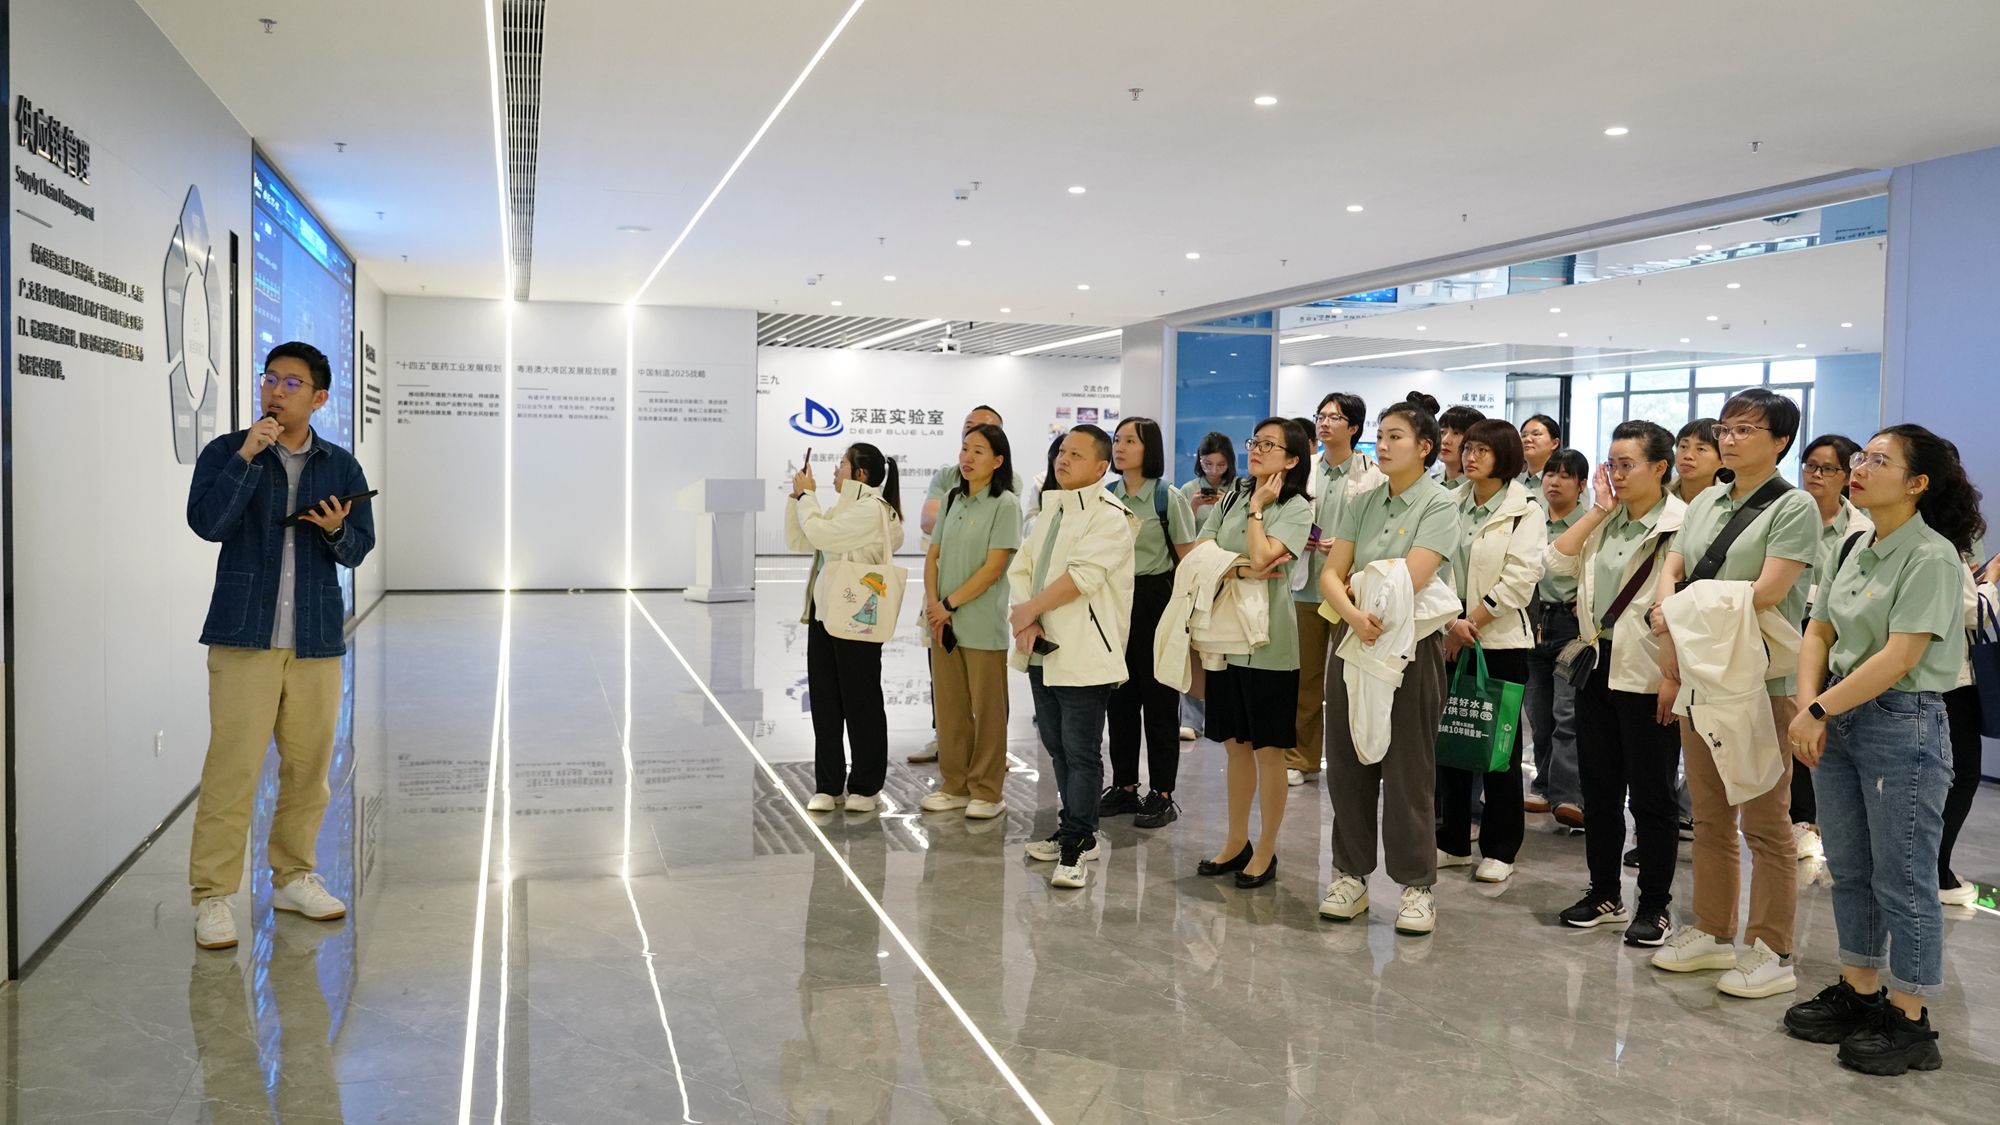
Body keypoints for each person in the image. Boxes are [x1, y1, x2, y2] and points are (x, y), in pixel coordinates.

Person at [1783, 424, 1982, 1076]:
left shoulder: (1932, 556)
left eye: (1877, 460)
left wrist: (1818, 709)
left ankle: (1910, 1017)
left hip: (1903, 721)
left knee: (1904, 875)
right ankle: (1860, 990)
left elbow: (1900, 656)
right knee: (1850, 867)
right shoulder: (1853, 541)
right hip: (1837, 713)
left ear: (1917, 482)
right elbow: (1819, 629)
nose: (1858, 468)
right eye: (1860, 457)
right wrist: (1810, 705)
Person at [185, 341, 376, 950]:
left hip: (316, 639)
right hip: (245, 635)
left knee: (309, 771)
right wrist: (248, 456)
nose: (275, 390)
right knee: (232, 769)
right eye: (270, 379)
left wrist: (337, 529)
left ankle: (293, 877)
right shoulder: (228, 451)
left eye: (291, 383)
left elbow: (359, 549)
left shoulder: (340, 466)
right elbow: (207, 524)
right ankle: (213, 896)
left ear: (319, 398)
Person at [1647, 388, 1819, 999]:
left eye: (1746, 429)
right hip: (1703, 674)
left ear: (1780, 441)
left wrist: (1680, 609)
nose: (1730, 438)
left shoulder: (1794, 506)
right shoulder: (1706, 500)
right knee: (1711, 814)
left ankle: (1773, 949)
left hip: (1762, 680)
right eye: (1726, 427)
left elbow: (1769, 590)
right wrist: (1669, 617)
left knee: (1768, 822)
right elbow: (1674, 567)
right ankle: (1713, 930)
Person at [1318, 394, 1461, 934]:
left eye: (1395, 436)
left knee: (1407, 770)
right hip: (1353, 635)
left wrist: (1362, 594)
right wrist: (1354, 615)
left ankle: (1416, 886)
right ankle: (1350, 876)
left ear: (1425, 447)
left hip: (1410, 645)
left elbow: (1411, 578)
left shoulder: (1439, 503)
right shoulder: (1363, 500)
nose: (1382, 444)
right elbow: (1331, 573)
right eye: (1379, 435)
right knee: (1347, 762)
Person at [1548, 422, 1687, 946]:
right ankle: (1604, 892)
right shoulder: (1606, 519)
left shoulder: (1681, 525)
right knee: (1600, 791)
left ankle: (1655, 905)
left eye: (1627, 464)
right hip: (1597, 664)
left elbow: (1687, 607)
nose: (1617, 474)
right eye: (1612, 464)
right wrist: (1598, 511)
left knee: (1652, 797)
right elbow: (1554, 565)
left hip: (1653, 670)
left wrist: (1674, 676)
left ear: (1660, 468)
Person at [1008, 425, 1135, 890]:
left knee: (1081, 751)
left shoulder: (1111, 516)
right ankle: (1072, 828)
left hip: (1084, 651)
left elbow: (1081, 578)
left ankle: (1080, 841)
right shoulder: (1053, 507)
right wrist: (1027, 619)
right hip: (1041, 645)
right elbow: (1023, 567)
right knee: (1057, 746)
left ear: (1101, 467)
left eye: (1076, 455)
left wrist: (1029, 611)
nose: (1063, 460)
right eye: (1062, 451)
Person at [1192, 418, 1314, 889]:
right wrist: (1240, 570)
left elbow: (1266, 558)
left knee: (1268, 751)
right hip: (1225, 639)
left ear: (1293, 458)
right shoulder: (1232, 495)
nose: (1257, 450)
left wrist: (1259, 510)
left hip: (1269, 644)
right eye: (1254, 442)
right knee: (1234, 745)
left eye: (1269, 444)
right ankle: (1235, 840)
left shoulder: (1295, 507)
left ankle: (1265, 849)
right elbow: (1200, 552)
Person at [1435, 419, 1547, 884]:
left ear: (1505, 457)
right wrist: (1450, 623)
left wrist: (1471, 623)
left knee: (1499, 747)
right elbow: (1436, 566)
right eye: (1468, 448)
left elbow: (1520, 580)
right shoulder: (1450, 502)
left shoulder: (1526, 510)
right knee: (1452, 739)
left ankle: (1501, 847)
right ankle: (1452, 840)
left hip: (1498, 641)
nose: (1471, 456)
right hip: (1449, 634)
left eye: (1482, 450)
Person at [787, 443, 905, 813]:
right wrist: (797, 500)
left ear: (860, 473)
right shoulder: (843, 508)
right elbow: (801, 539)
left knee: (861, 703)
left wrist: (808, 497)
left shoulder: (871, 509)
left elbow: (823, 535)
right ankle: (828, 784)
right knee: (825, 703)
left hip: (857, 620)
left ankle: (866, 787)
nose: (835, 470)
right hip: (824, 615)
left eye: (841, 464)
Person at [1100, 419, 1199, 829]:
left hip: (1156, 602)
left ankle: (1162, 793)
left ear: (1149, 449)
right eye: (1116, 440)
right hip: (1115, 601)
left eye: (1130, 441)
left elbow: (1188, 561)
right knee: (1119, 701)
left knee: (1159, 702)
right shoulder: (1107, 496)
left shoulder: (1166, 497)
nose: (1119, 447)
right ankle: (1124, 785)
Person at [920, 423, 1020, 820]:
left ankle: (987, 791)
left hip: (980, 623)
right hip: (943, 622)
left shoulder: (1005, 504)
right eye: (965, 449)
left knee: (987, 711)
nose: (967, 457)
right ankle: (954, 785)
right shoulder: (951, 499)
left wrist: (949, 603)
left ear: (997, 461)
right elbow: (933, 556)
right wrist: (934, 606)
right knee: (950, 709)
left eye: (978, 451)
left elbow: (993, 568)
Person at [1288, 393, 1382, 787]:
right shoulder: (1303, 468)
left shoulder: (1373, 475)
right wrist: (1300, 537)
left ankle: (1352, 761)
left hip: (1349, 590)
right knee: (1305, 681)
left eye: (1335, 417)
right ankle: (1302, 758)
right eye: (1321, 416)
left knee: (1348, 682)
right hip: (1305, 587)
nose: (1324, 423)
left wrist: (1345, 550)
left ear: (1354, 427)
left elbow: (1376, 530)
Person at [1793, 434, 1869, 862]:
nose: (1816, 475)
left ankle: (1816, 821)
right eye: (1810, 466)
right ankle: (1797, 819)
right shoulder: (1788, 513)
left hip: (1833, 634)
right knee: (1793, 719)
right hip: (1789, 628)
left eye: (1828, 469)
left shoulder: (1860, 528)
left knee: (1824, 721)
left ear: (1846, 476)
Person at [1525, 448, 1590, 825]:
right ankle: (1544, 784)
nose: (1554, 481)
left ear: (1581, 485)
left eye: (1565, 476)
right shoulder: (1532, 518)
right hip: (1533, 621)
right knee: (1538, 713)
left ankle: (1568, 796)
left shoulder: (1590, 522)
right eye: (1550, 474)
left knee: (1566, 713)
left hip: (1570, 625)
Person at [1179, 432, 1238, 740]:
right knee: (1191, 647)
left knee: (1224, 647)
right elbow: (1180, 535)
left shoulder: (1240, 490)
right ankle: (1191, 718)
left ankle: (1221, 715)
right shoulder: (1188, 490)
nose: (1214, 471)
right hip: (1196, 575)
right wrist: (1192, 505)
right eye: (1207, 463)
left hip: (1227, 574)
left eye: (1220, 465)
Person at [1674, 418, 1727, 504]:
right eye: (1683, 446)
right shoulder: (1659, 493)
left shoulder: (1731, 500)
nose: (1688, 456)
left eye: (1701, 449)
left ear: (1723, 460)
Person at [1434, 405, 1485, 489]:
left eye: (1456, 433)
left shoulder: (1480, 489)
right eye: (1442, 432)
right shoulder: (1429, 483)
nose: (1445, 440)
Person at [1519, 414, 1561, 495]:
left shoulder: (1565, 482)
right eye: (1523, 435)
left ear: (1555, 443)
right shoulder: (1513, 482)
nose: (1527, 439)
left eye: (1536, 434)